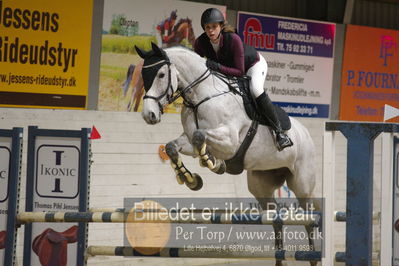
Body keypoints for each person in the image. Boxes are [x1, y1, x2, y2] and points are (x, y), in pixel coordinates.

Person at [194, 8, 293, 151]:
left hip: (252, 65)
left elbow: (240, 72)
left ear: (221, 26)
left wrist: (216, 67)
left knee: (256, 89)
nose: (211, 31)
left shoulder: (233, 39)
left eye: (214, 26)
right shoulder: (200, 43)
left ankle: (279, 133)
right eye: (207, 27)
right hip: (229, 69)